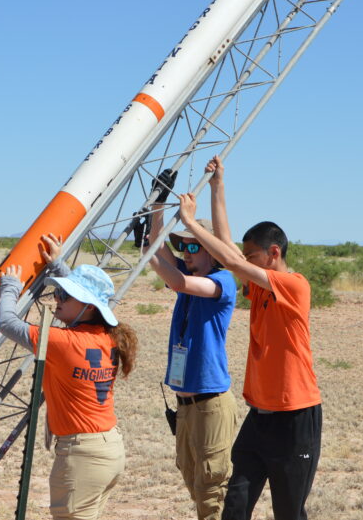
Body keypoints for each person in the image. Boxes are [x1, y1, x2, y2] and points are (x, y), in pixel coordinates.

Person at [179, 157, 322, 520]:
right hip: (260, 417)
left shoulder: (294, 286)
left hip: (295, 417)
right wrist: (218, 186)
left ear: (274, 254)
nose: (245, 261)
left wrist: (192, 224)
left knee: (289, 512)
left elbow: (231, 259)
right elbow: (227, 246)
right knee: (236, 503)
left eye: (253, 255)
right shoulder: (258, 286)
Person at [0, 234, 138, 520]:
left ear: (87, 306)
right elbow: (87, 304)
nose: (56, 299)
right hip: (108, 449)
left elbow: (7, 323)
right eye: (58, 293)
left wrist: (9, 286)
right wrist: (59, 266)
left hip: (82, 455)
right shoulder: (108, 336)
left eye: (64, 295)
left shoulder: (62, 342)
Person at [147, 201, 237, 520]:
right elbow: (157, 251)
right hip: (185, 407)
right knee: (193, 483)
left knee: (211, 491)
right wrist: (157, 210)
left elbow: (176, 280)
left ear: (212, 251)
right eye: (182, 245)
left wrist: (155, 250)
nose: (186, 251)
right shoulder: (187, 275)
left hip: (210, 405)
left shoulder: (223, 281)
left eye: (194, 246)